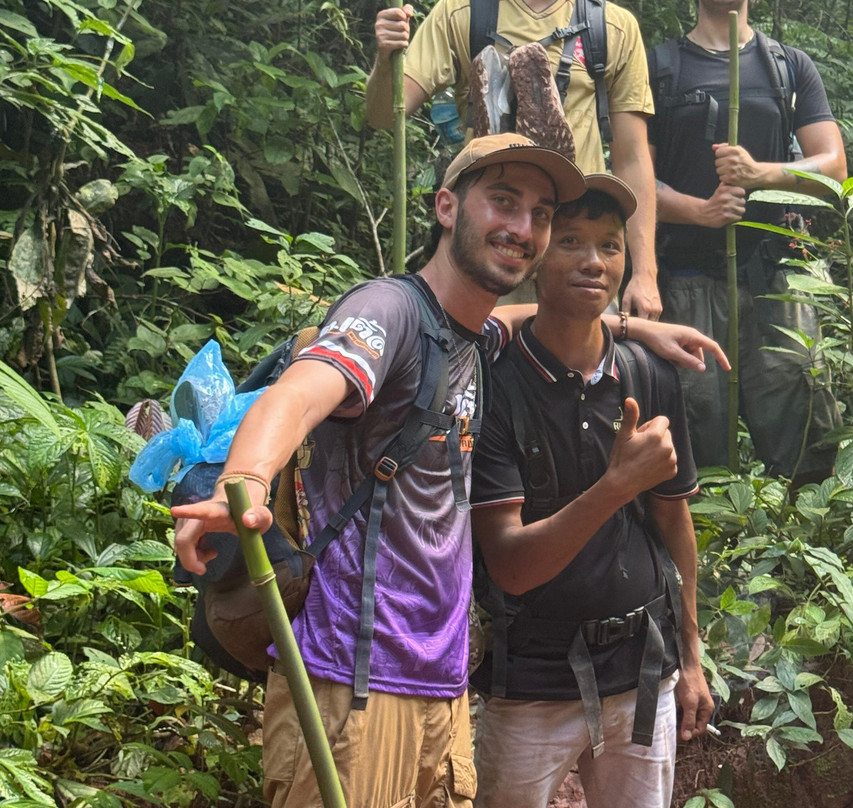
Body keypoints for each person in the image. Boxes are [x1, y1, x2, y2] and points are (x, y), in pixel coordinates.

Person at [171, 134, 724, 808]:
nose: (523, 228)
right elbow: (305, 387)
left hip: (443, 683)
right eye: (502, 202)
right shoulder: (389, 311)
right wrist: (249, 484)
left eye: (540, 214)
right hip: (356, 680)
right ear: (445, 207)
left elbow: (533, 318)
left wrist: (632, 329)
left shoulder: (470, 334)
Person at [468, 174, 717, 808]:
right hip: (528, 681)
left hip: (643, 671)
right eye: (571, 240)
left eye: (610, 245)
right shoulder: (493, 382)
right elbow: (511, 565)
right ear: (538, 251)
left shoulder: (646, 373)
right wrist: (615, 486)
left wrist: (692, 656)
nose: (593, 261)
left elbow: (673, 520)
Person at [648, 0, 848, 484]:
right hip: (685, 279)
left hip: (776, 278)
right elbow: (634, 178)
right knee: (691, 440)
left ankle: (803, 549)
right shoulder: (660, 66)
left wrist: (762, 174)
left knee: (804, 436)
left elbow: (834, 167)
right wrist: (700, 211)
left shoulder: (788, 66)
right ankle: (706, 553)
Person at [369, 0, 665, 320]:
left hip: (577, 246)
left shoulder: (610, 25)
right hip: (493, 242)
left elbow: (632, 157)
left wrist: (645, 274)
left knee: (580, 363)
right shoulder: (461, 11)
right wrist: (387, 59)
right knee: (476, 357)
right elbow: (385, 116)